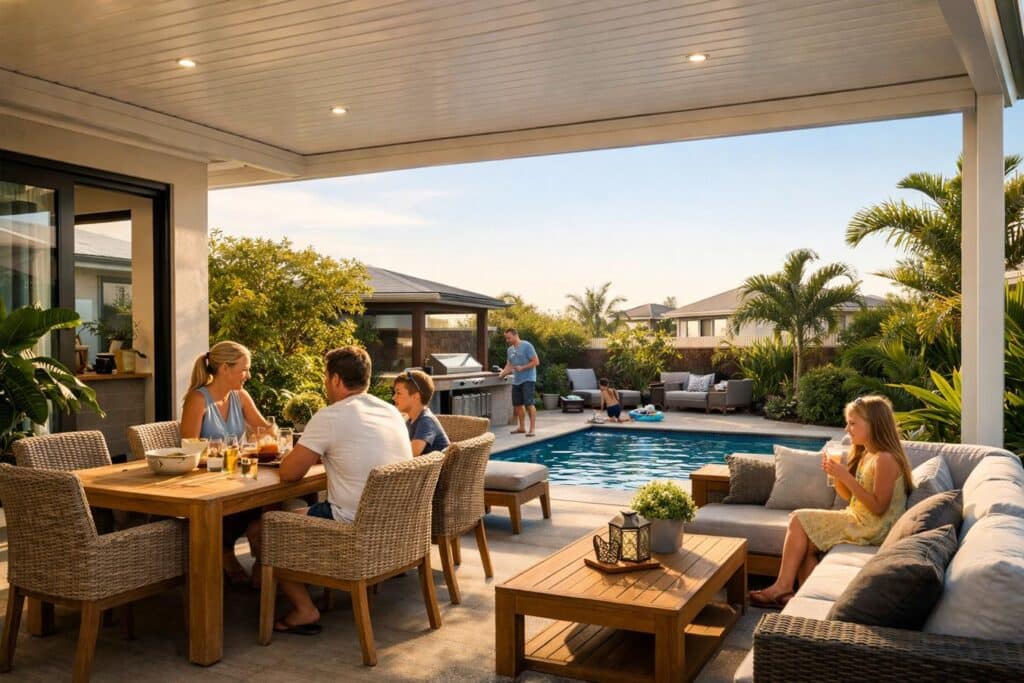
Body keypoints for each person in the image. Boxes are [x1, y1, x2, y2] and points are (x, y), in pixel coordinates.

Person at [255, 345, 413, 634]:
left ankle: (304, 608)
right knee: (293, 514)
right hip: (397, 526)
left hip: (353, 527)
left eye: (326, 377)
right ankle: (277, 583)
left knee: (266, 529)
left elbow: (290, 473)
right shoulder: (390, 411)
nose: (325, 383)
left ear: (337, 380)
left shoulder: (331, 416)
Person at [749, 395, 914, 608]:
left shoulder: (885, 458)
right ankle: (802, 601)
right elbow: (852, 498)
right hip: (861, 518)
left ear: (874, 424)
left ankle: (782, 586)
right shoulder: (868, 454)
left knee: (798, 520)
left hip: (874, 527)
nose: (847, 429)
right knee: (805, 544)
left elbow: (879, 507)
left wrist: (846, 476)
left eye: (853, 423)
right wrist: (836, 477)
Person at [180, 341, 276, 585]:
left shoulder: (240, 396)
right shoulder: (198, 400)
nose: (248, 375)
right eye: (244, 369)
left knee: (273, 499)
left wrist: (270, 432)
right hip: (207, 484)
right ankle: (226, 552)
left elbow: (266, 431)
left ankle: (260, 563)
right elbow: (190, 453)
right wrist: (231, 457)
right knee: (262, 502)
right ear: (224, 368)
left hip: (239, 475)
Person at [393, 369, 450, 455]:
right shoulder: (410, 420)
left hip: (441, 468)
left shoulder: (426, 421)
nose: (394, 397)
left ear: (416, 396)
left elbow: (412, 453)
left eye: (398, 393)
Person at [499, 327, 539, 437]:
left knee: (529, 404)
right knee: (517, 405)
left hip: (528, 379)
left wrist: (523, 367)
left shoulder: (527, 346)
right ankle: (522, 427)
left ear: (515, 335)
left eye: (509, 338)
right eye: (506, 339)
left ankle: (532, 429)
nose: (507, 341)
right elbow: (509, 365)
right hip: (517, 380)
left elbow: (536, 361)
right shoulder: (510, 350)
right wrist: (502, 374)